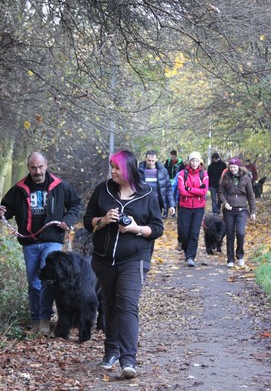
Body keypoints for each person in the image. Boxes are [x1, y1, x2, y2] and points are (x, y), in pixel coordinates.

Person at [83, 150, 164, 379]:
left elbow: (157, 228)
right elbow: (87, 221)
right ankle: (111, 351)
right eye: (112, 167)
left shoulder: (147, 194)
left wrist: (136, 228)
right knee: (110, 304)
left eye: (117, 168)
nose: (113, 171)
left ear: (128, 170)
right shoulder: (103, 190)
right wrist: (102, 220)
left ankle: (128, 360)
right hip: (104, 259)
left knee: (127, 304)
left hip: (135, 259)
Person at [0, 151, 82, 334]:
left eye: (40, 167)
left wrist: (67, 220)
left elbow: (75, 204)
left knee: (47, 279)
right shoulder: (19, 189)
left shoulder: (59, 186)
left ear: (46, 165)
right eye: (33, 168)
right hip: (30, 241)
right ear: (28, 168)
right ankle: (35, 319)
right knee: (34, 282)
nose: (37, 171)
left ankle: (44, 320)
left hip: (52, 240)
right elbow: (6, 210)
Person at [218, 157, 257, 268]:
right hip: (229, 210)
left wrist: (253, 211)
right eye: (230, 167)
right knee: (230, 234)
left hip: (242, 209)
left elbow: (250, 195)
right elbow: (220, 192)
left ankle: (240, 256)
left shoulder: (246, 178)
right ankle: (230, 259)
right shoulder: (225, 177)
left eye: (234, 167)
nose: (232, 169)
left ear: (239, 167)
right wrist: (225, 202)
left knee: (240, 233)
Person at [176, 151, 209, 267]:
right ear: (189, 161)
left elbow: (204, 191)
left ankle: (190, 257)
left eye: (196, 161)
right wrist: (195, 191)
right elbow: (182, 191)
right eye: (192, 161)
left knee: (194, 233)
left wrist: (190, 189)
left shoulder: (204, 174)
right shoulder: (182, 174)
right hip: (184, 206)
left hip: (199, 207)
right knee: (184, 232)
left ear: (199, 161)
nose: (194, 163)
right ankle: (186, 250)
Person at [138, 150, 176, 219]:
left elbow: (168, 189)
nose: (151, 163)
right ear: (145, 159)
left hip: (157, 203)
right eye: (149, 160)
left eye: (153, 161)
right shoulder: (139, 171)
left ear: (156, 159)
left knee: (156, 223)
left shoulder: (163, 171)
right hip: (143, 203)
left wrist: (172, 205)